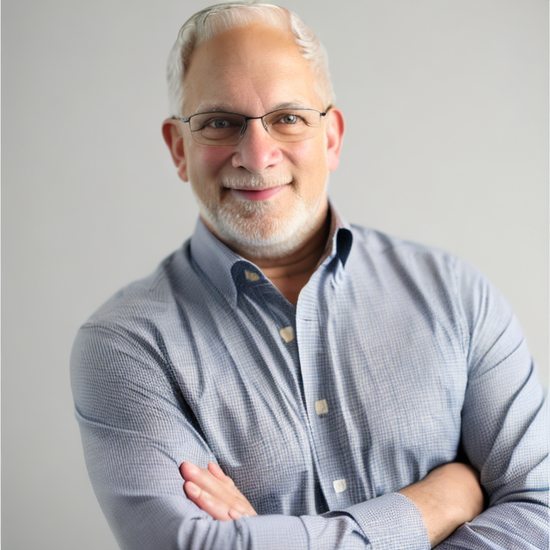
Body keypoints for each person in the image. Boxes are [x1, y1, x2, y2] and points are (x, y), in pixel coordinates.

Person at [70, 2, 548, 549]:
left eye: (288, 117)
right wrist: (437, 504)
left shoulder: (457, 297)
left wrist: (265, 537)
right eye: (219, 123)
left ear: (332, 137)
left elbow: (540, 508)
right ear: (180, 148)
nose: (256, 153)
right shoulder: (126, 346)